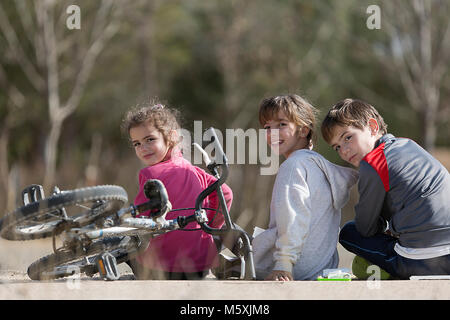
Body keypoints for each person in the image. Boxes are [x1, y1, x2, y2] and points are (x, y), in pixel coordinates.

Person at [321, 98, 450, 280]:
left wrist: (382, 225)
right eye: (337, 147)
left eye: (348, 137)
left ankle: (389, 270)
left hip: (421, 261)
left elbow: (365, 228)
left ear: (373, 127)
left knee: (349, 233)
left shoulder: (372, 163)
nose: (344, 150)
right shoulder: (409, 145)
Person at [121, 100, 233, 280]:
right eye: (137, 144)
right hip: (199, 266)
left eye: (150, 139)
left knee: (122, 245)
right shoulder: (196, 171)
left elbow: (139, 219)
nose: (143, 148)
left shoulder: (149, 173)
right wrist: (207, 227)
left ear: (171, 137)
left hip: (160, 267)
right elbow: (225, 193)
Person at [252, 94, 359, 281]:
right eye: (267, 127)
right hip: (320, 267)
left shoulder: (293, 166)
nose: (272, 133)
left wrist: (283, 264)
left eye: (281, 125)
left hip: (292, 268)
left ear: (303, 130)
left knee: (224, 239)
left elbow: (293, 217)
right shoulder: (319, 167)